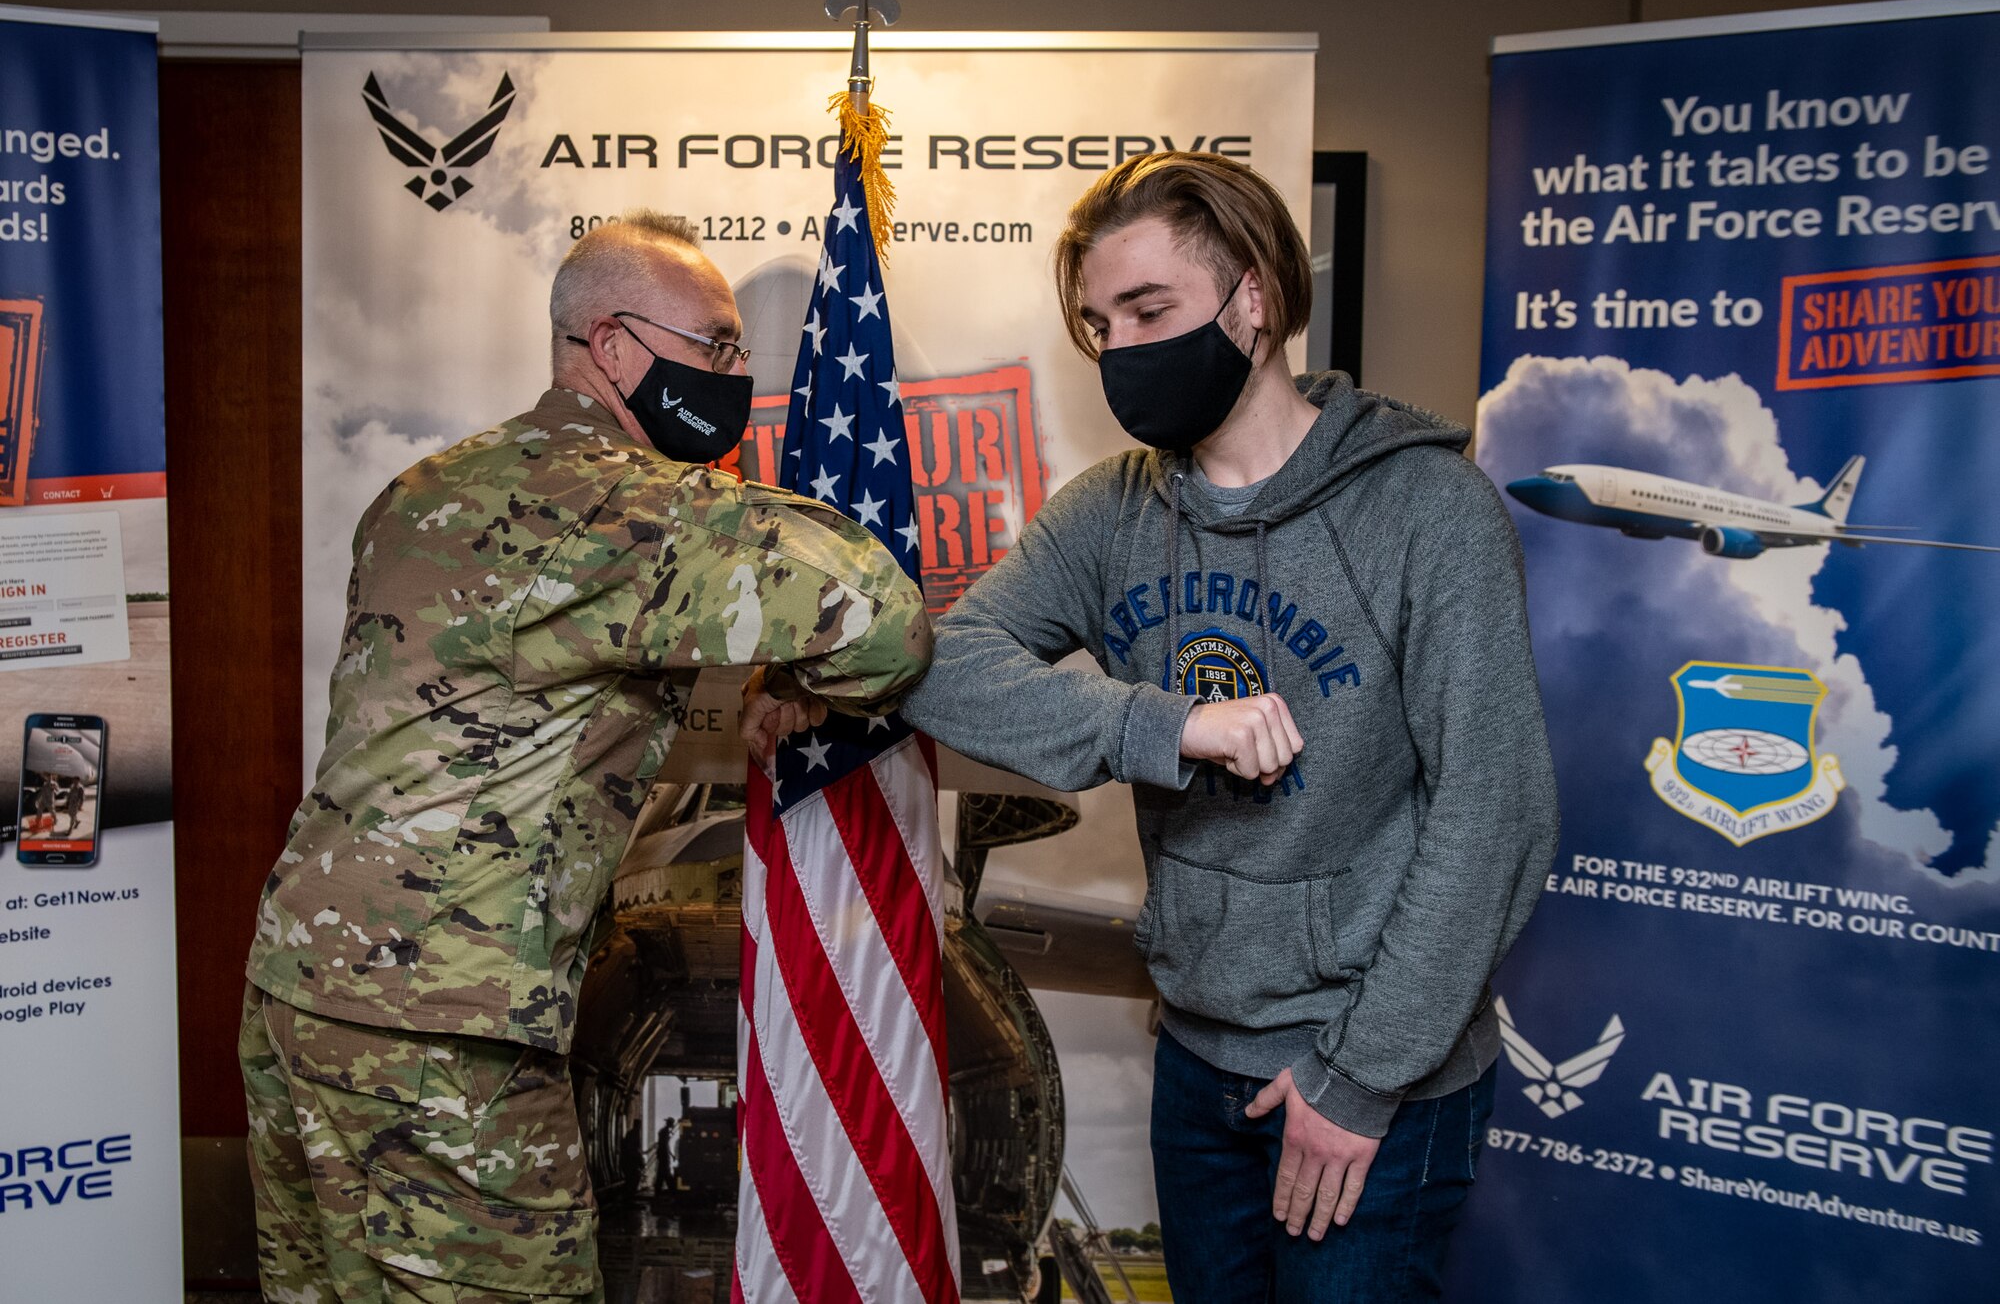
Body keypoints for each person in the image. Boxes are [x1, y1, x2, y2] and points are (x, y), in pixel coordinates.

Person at [898, 152, 1559, 1300]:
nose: (1121, 348)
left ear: (1251, 298)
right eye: (1100, 323)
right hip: (1199, 1057)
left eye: (1149, 309)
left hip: (1373, 1080)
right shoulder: (1111, 511)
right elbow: (939, 662)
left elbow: (1492, 813)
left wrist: (1357, 1080)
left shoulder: (1426, 507)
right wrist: (1165, 725)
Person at [240, 210, 929, 1304]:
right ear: (611, 346)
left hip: (296, 994)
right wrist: (803, 674)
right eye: (713, 346)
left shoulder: (426, 488)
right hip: (441, 1034)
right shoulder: (622, 503)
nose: (732, 374)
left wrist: (774, 674)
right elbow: (885, 621)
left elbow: (529, 674)